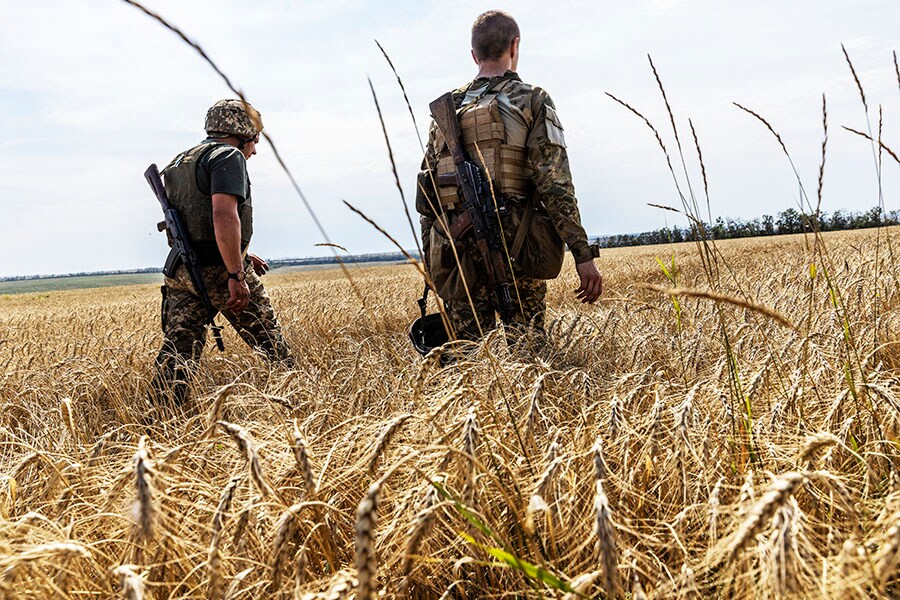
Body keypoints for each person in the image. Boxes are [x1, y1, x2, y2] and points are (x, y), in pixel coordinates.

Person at [415, 10, 603, 344]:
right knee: (527, 353)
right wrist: (582, 254)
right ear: (515, 46)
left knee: (468, 362)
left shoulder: (447, 111)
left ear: (474, 55)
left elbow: (426, 198)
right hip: (515, 246)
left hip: (456, 253)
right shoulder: (531, 100)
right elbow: (555, 185)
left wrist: (434, 260)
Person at [150, 99, 292, 403]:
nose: (255, 149)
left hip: (181, 269)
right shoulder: (228, 156)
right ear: (243, 133)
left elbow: (190, 220)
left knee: (179, 350)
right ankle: (299, 405)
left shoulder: (181, 160)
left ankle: (159, 416)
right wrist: (235, 271)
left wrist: (241, 251)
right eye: (255, 140)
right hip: (216, 270)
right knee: (274, 348)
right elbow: (223, 215)